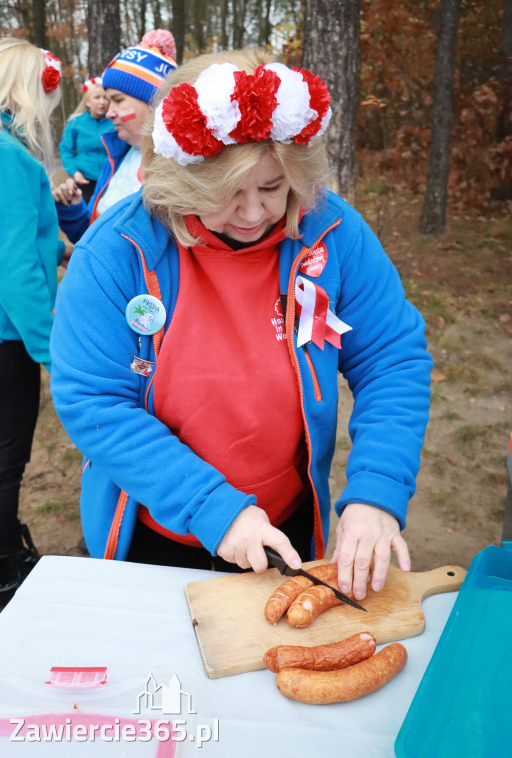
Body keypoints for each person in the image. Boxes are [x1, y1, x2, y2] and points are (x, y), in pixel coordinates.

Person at [50, 48, 433, 600]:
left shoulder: (331, 232)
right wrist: (214, 509)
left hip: (287, 521)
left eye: (273, 189)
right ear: (182, 181)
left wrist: (376, 492)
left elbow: (391, 360)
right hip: (158, 528)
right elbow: (94, 400)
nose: (254, 215)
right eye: (227, 195)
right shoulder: (117, 252)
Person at [0, 38, 73, 607]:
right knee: (6, 457)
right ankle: (4, 568)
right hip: (8, 339)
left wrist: (61, 244)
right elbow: (15, 268)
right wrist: (54, 351)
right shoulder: (8, 155)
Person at [53, 29, 177, 244]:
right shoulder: (117, 156)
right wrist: (73, 210)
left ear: (155, 102)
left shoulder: (179, 172)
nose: (109, 112)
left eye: (117, 100)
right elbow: (93, 238)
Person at [58, 77, 112, 204]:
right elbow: (66, 150)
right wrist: (75, 172)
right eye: (97, 97)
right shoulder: (75, 123)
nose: (102, 102)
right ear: (87, 102)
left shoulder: (115, 123)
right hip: (83, 181)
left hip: (110, 181)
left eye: (105, 98)